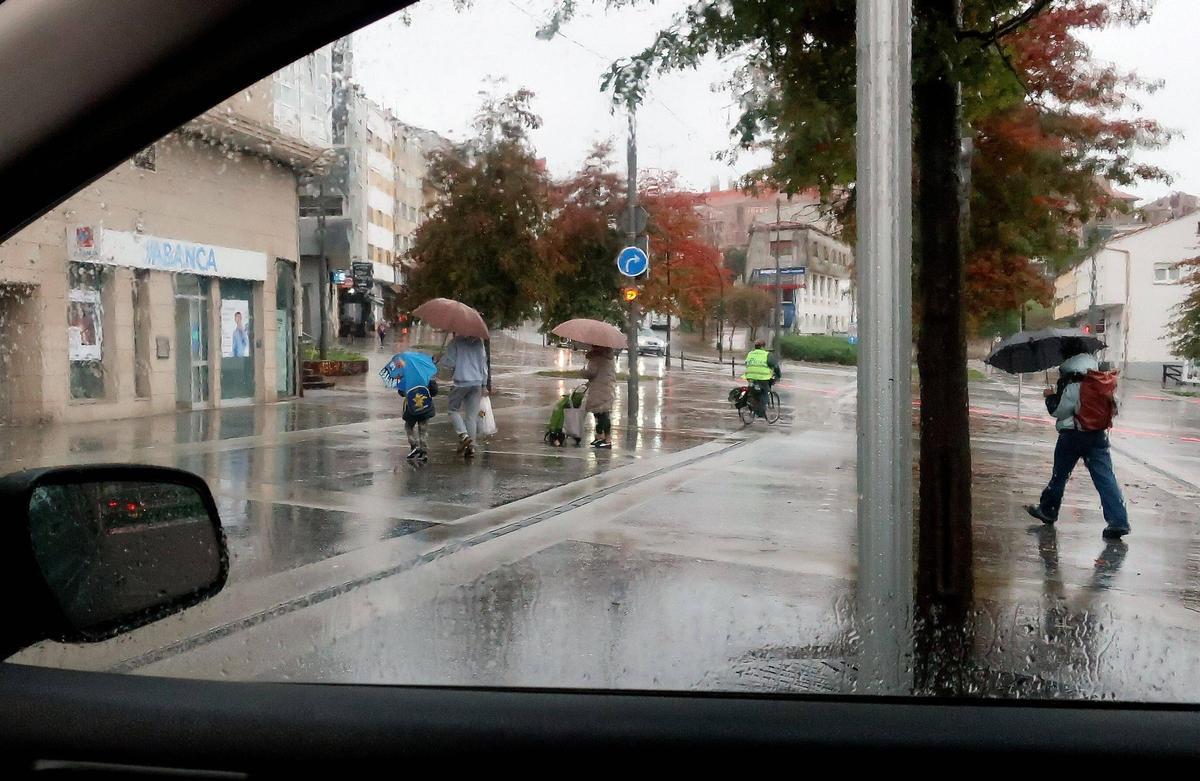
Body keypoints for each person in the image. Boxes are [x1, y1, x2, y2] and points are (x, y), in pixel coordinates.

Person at [1026, 338, 1130, 539]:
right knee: (1105, 477)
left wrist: (1050, 397)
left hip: (1073, 435)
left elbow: (1060, 410)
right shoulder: (1098, 376)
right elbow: (1113, 405)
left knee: (1060, 475)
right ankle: (1118, 521)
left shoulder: (1073, 378)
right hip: (1098, 434)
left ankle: (1048, 510)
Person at [439, 334, 490, 458]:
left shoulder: (455, 342)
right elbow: (484, 364)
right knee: (471, 417)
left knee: (453, 409)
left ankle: (463, 435)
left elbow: (450, 363)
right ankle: (471, 448)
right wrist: (484, 384)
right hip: (477, 382)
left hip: (461, 382)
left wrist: (440, 358)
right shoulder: (479, 342)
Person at [581, 345, 616, 448]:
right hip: (606, 387)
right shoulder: (608, 356)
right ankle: (601, 437)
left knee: (601, 414)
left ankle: (606, 439)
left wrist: (583, 372)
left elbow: (591, 373)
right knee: (602, 413)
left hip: (599, 388)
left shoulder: (597, 358)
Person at [742, 338, 780, 418]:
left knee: (752, 390)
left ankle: (751, 404)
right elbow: (775, 366)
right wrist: (778, 375)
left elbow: (746, 363)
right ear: (763, 346)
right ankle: (761, 412)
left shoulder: (750, 353)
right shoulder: (767, 354)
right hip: (762, 378)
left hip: (750, 377)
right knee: (765, 392)